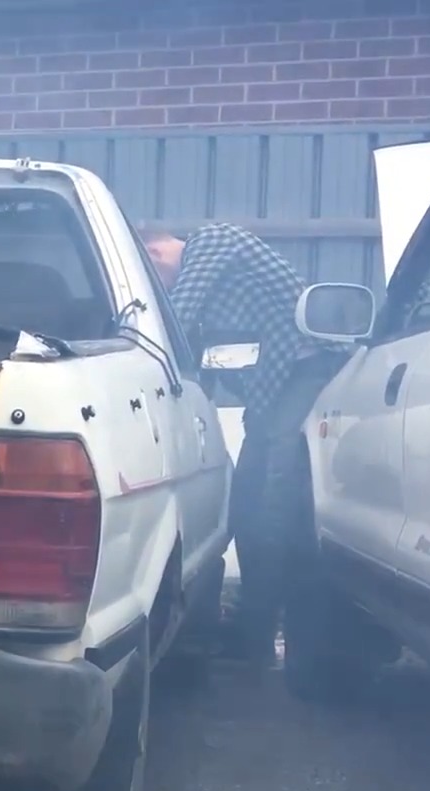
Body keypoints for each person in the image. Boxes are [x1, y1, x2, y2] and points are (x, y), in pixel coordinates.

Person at [143, 224, 346, 666]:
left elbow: (173, 321)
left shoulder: (213, 242)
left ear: (156, 250)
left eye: (155, 272)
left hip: (303, 376)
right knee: (248, 502)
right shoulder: (214, 287)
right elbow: (198, 356)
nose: (162, 283)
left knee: (274, 503)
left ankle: (267, 629)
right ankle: (254, 628)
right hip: (270, 395)